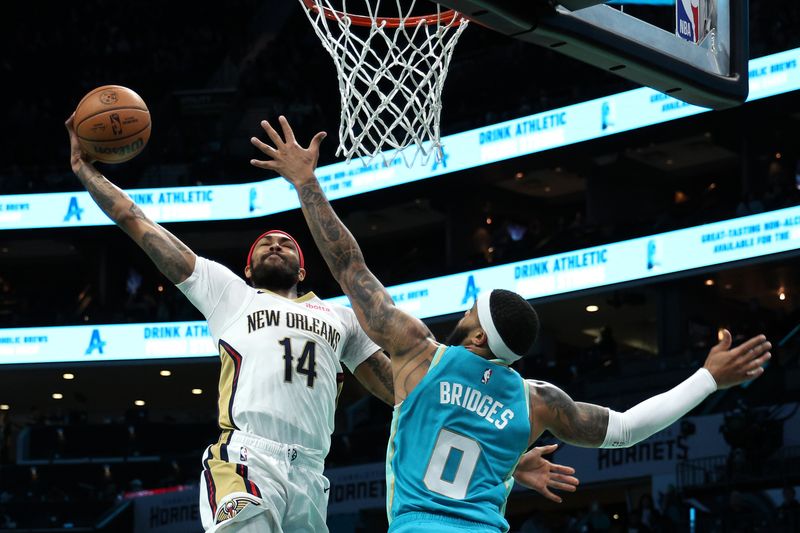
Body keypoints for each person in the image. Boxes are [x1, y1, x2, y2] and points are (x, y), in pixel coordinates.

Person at [250, 115, 772, 533]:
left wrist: (306, 182)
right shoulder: (536, 400)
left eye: (471, 312)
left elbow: (349, 268)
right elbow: (630, 428)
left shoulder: (420, 354)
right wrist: (709, 377)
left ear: (478, 336)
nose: (463, 312)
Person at [64, 115, 571, 532]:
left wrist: (498, 462)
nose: (276, 243)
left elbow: (417, 397)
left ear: (303, 269)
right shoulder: (228, 295)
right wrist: (89, 174)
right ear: (247, 266)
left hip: (310, 474)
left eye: (287, 242)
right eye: (264, 242)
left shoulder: (341, 320)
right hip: (247, 458)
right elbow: (139, 222)